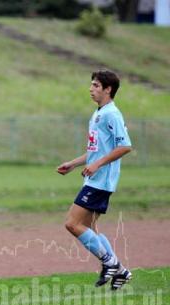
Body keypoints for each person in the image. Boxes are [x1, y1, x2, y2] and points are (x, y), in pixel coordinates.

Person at [57, 69, 132, 290]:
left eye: (96, 85)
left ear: (108, 89)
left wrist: (98, 164)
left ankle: (110, 263)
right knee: (91, 228)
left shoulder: (111, 114)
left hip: (101, 180)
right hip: (94, 179)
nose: (91, 89)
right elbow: (96, 151)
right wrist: (73, 163)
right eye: (91, 84)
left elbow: (125, 146)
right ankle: (120, 272)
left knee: (72, 223)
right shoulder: (99, 113)